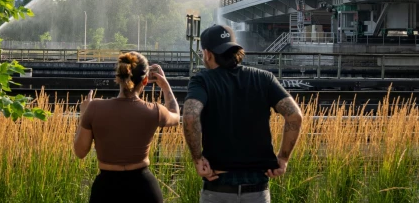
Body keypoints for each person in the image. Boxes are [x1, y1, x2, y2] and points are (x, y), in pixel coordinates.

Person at [183, 25, 302, 203]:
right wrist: (283, 157)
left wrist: (197, 159)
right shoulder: (264, 78)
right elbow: (295, 116)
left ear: (207, 53)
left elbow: (190, 116)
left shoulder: (202, 80)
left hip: (218, 187)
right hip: (257, 189)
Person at [74, 51, 180, 203]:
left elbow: (80, 152)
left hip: (106, 189)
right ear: (145, 81)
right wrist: (165, 85)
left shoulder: (94, 108)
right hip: (144, 188)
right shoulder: (154, 110)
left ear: (117, 78)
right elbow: (175, 116)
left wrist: (83, 115)